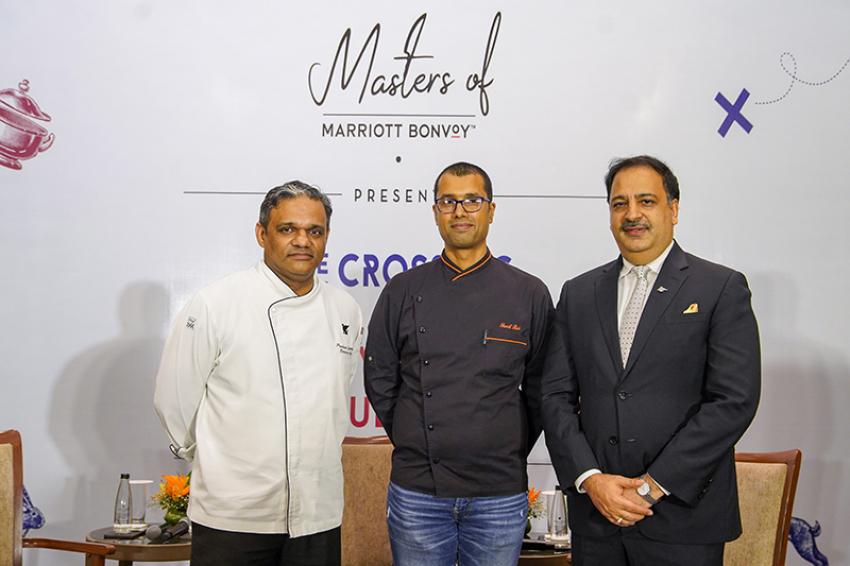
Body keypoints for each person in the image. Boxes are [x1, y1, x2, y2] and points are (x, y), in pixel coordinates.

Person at [541, 155, 761, 566]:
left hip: (682, 518)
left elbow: (734, 401)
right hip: (598, 518)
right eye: (619, 203)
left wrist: (653, 485)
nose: (632, 214)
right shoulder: (578, 293)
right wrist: (591, 480)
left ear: (673, 209)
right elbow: (554, 397)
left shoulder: (720, 288)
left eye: (646, 201)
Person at [154, 181, 362, 566]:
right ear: (261, 233)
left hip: (317, 515)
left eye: (314, 231)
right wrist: (220, 465)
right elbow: (174, 400)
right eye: (288, 229)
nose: (302, 241)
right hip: (232, 517)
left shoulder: (345, 309)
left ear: (327, 237)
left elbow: (334, 395)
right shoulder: (216, 304)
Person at [364, 161, 554, 566]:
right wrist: (413, 434)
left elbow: (542, 389)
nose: (460, 211)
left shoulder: (528, 292)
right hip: (418, 492)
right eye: (448, 201)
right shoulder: (403, 290)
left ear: (491, 209)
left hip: (499, 495)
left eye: (472, 200)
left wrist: (506, 444)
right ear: (435, 212)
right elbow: (380, 377)